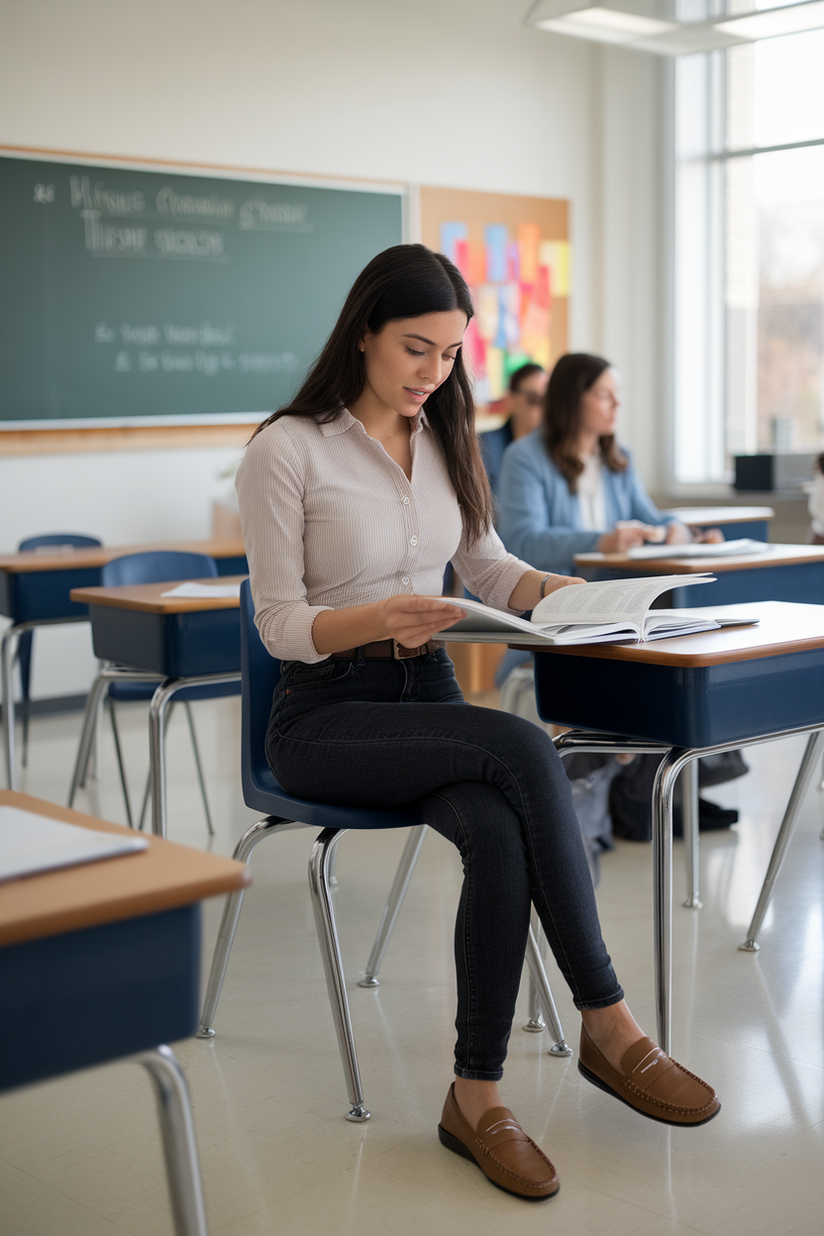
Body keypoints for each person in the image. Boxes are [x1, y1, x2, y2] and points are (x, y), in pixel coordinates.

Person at [236, 245, 719, 1203]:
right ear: (365, 331)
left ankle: (476, 1095)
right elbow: (279, 625)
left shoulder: (451, 440)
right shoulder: (287, 449)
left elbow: (492, 569)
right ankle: (611, 1024)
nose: (433, 373)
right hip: (324, 713)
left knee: (500, 834)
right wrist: (379, 617)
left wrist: (569, 593)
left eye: (451, 355)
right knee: (528, 744)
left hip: (430, 698)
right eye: (417, 349)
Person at [497, 353, 721, 576]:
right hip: (549, 599)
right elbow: (525, 542)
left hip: (612, 593)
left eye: (618, 393)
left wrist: (677, 529)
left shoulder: (619, 459)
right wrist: (602, 542)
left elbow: (649, 519)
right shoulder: (523, 457)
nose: (617, 403)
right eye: (605, 395)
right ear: (572, 400)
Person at [479, 362, 547, 494]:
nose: (542, 408)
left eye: (547, 400)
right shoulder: (484, 445)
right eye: (534, 399)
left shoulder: (555, 450)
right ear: (511, 399)